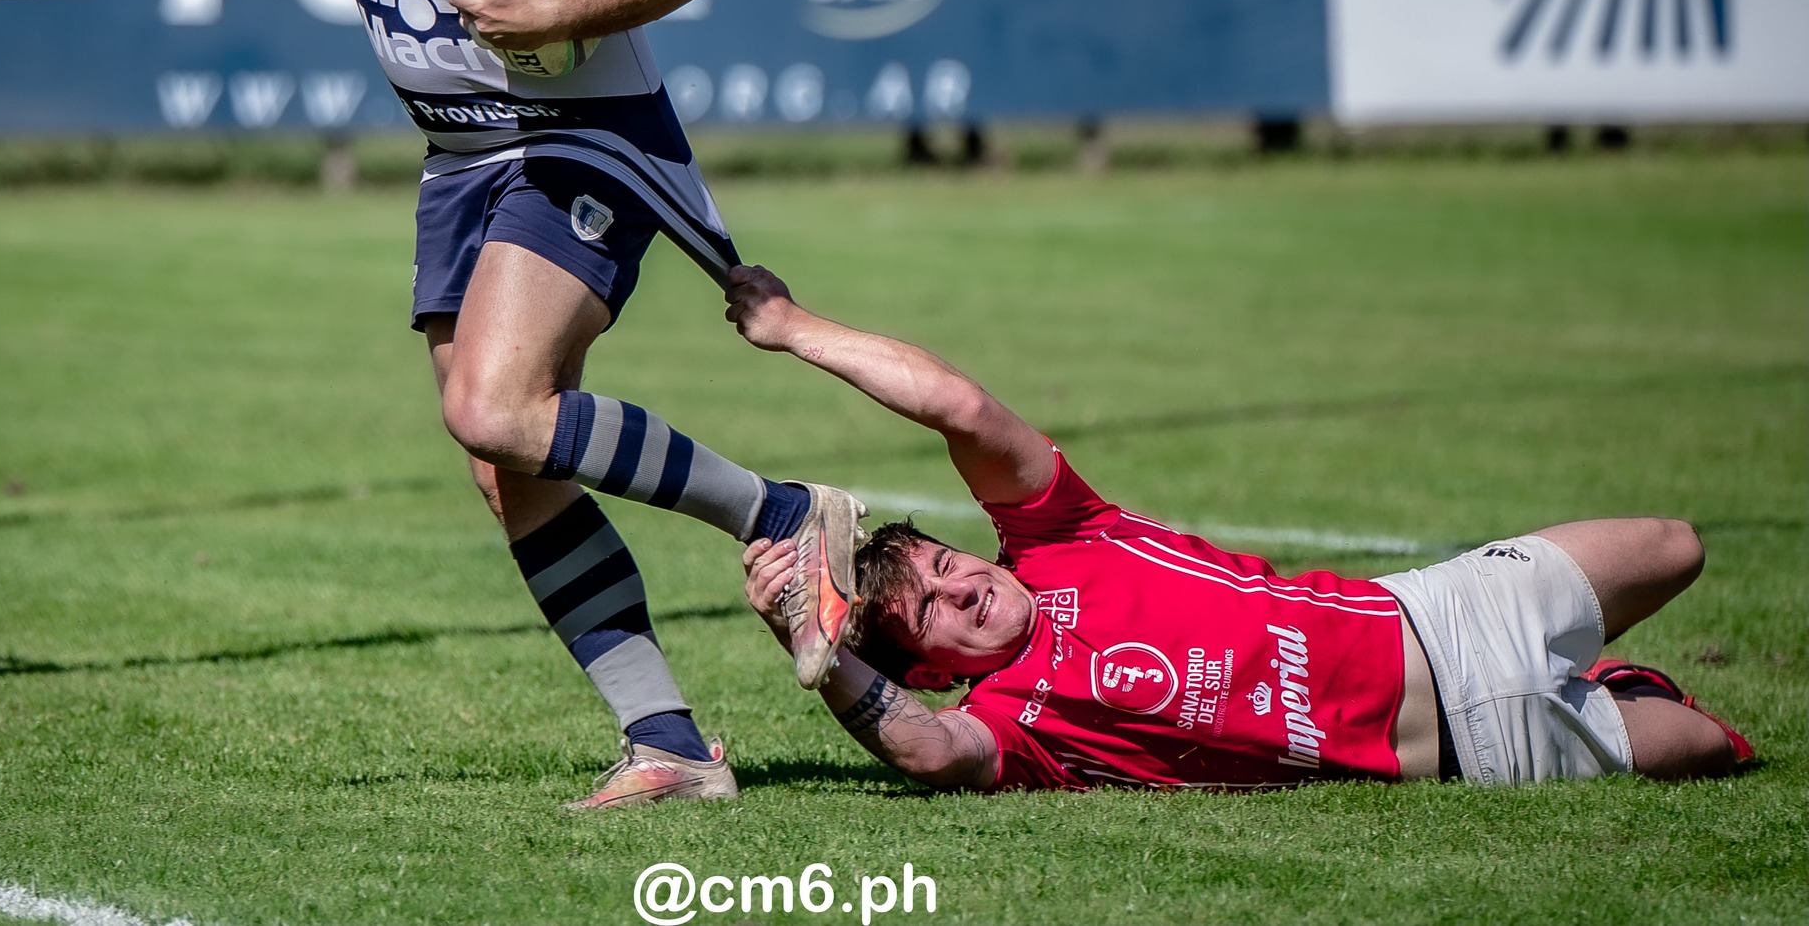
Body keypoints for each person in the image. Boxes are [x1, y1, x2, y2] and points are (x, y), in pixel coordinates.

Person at [0, 0, 865, 808]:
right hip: (460, 160)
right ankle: (671, 746)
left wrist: (554, 12)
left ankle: (789, 516)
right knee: (507, 462)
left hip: (579, 139)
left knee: (498, 406)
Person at [726, 264, 1755, 792]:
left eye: (948, 565)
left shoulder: (1058, 536)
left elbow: (957, 406)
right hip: (1478, 746)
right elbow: (929, 753)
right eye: (938, 613)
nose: (964, 588)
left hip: (1442, 608)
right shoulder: (1015, 721)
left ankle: (1605, 676)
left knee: (1673, 543)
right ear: (939, 668)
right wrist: (812, 648)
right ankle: (1619, 695)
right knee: (1708, 746)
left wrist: (793, 329)